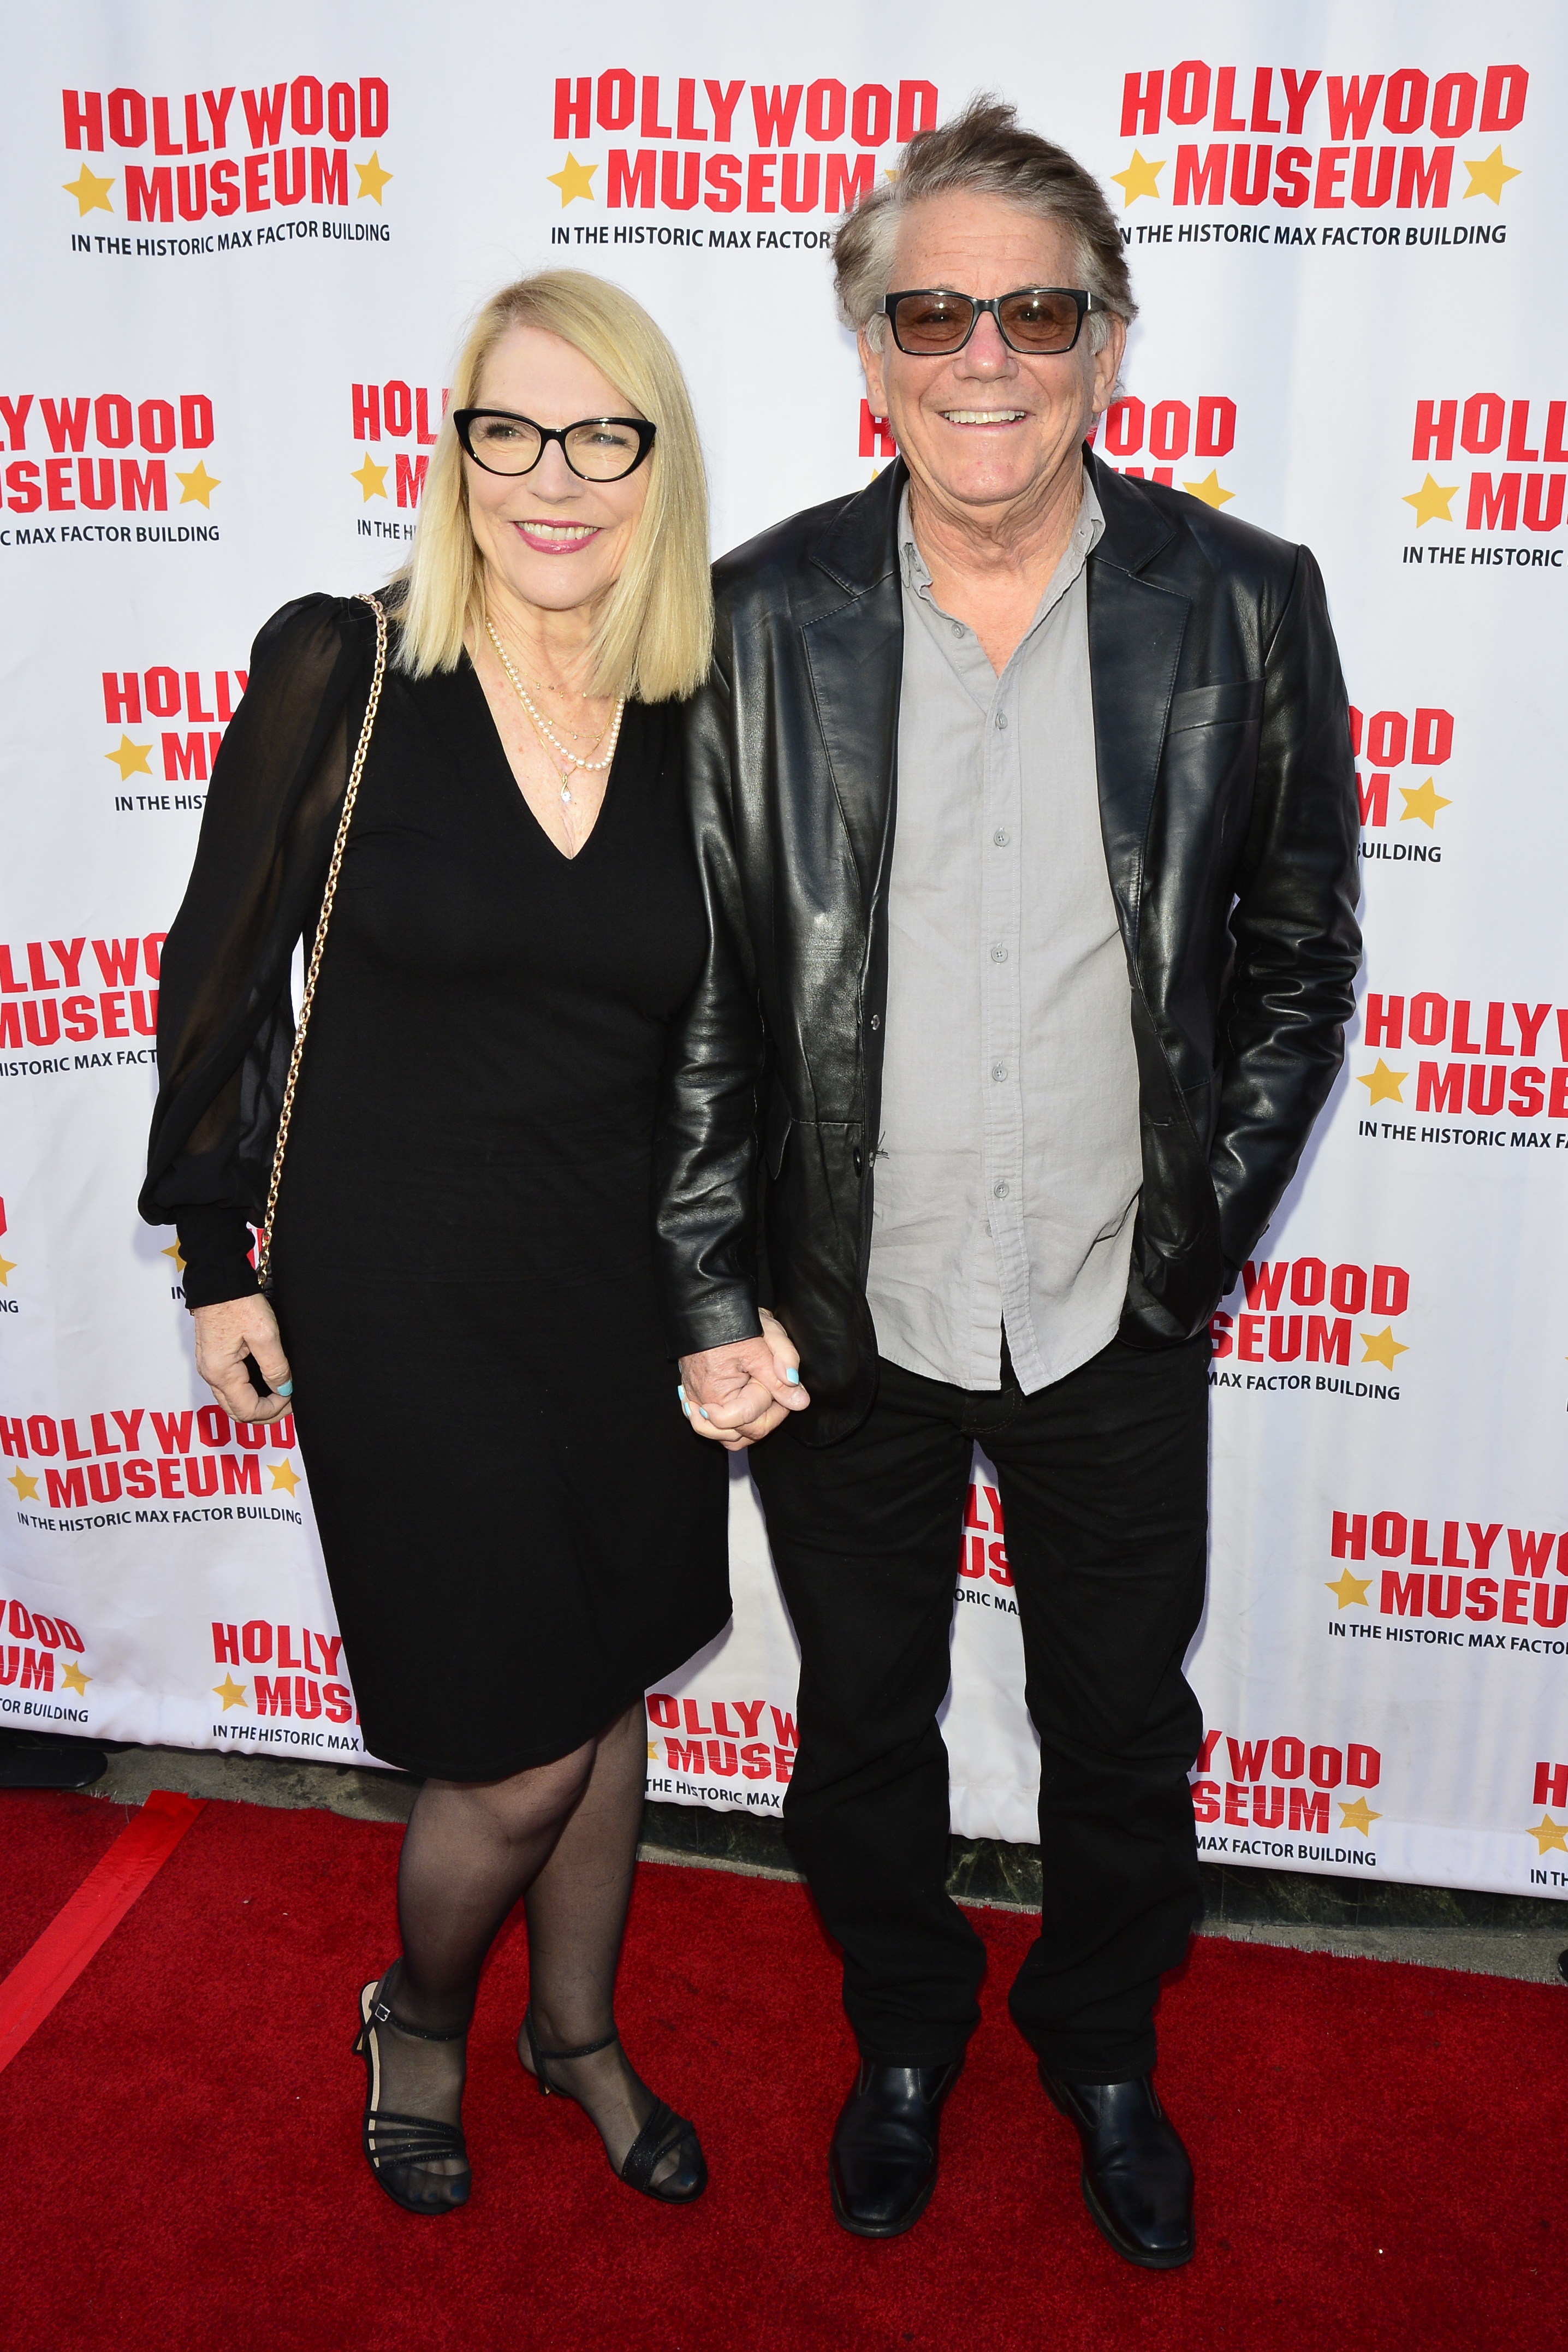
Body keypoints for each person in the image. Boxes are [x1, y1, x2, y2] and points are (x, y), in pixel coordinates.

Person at [664, 100, 1361, 2266]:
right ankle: (900, 2037)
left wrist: (1194, 1239)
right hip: (837, 1312)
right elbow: (690, 995)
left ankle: (1102, 2050)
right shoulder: (754, 617)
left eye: (1033, 307)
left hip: (1106, 1305)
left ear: (1109, 334)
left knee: (1121, 1729)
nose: (986, 355)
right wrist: (712, 1296)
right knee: (857, 1725)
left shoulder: (1241, 602)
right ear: (867, 348)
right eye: (931, 309)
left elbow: (1295, 956)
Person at [141, 270, 764, 2217]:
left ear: (657, 462)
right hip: (400, 1280)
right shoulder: (347, 660)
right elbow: (215, 978)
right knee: (509, 1743)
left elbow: (745, 1035)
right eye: (508, 429)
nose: (550, 477)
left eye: (601, 434)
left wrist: (740, 1295)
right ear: (455, 451)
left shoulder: (708, 702)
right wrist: (218, 1249)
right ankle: (420, 2005)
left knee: (605, 1683)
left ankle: (571, 2030)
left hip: (624, 1287)